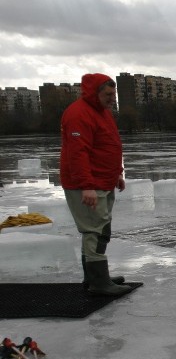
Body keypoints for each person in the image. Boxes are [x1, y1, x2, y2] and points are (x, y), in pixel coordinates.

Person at [60, 73, 134, 296]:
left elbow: (109, 145)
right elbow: (77, 153)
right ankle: (98, 282)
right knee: (94, 230)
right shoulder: (78, 114)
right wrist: (87, 186)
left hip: (103, 180)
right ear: (95, 93)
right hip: (87, 184)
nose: (113, 98)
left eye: (115, 94)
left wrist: (117, 174)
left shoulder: (102, 112)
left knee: (100, 229)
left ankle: (94, 276)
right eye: (109, 94)